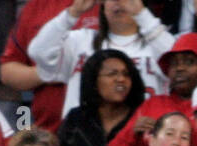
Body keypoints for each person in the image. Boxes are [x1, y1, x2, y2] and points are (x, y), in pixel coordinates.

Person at [30, 0, 175, 120]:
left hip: (144, 142)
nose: (119, 3)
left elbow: (177, 60)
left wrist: (143, 16)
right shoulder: (81, 41)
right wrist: (72, 13)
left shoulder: (156, 42)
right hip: (84, 142)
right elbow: (38, 52)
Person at [103, 31, 197, 146]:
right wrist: (131, 134)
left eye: (189, 62)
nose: (180, 68)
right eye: (174, 63)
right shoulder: (153, 104)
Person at [1, 0, 98, 132]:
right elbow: (8, 71)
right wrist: (52, 71)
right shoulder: (36, 6)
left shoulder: (112, 5)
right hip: (48, 132)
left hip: (102, 130)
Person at [58, 48, 145, 146]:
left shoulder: (140, 118)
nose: (121, 79)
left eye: (126, 74)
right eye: (112, 74)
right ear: (94, 81)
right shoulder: (76, 118)